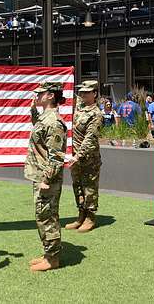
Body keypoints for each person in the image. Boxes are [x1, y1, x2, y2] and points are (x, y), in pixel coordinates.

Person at [26, 82, 67, 272]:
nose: (37, 96)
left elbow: (56, 157)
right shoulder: (45, 118)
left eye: (41, 93)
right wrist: (34, 111)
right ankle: (47, 253)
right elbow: (39, 132)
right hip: (40, 175)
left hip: (47, 178)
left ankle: (53, 259)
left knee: (48, 216)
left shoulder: (54, 122)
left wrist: (46, 180)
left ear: (50, 95)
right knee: (42, 215)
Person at [65, 80, 103, 232]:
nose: (82, 94)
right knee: (78, 187)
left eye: (86, 92)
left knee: (89, 188)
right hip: (74, 156)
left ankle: (90, 217)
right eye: (81, 91)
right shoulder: (79, 107)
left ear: (94, 94)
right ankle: (81, 214)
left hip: (88, 158)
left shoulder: (96, 114)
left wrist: (78, 156)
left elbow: (90, 138)